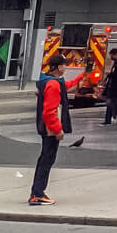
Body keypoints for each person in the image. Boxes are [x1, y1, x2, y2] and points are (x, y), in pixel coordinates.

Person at [30, 53, 72, 205]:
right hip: (50, 129)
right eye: (64, 65)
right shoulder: (53, 84)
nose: (66, 68)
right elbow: (50, 111)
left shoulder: (46, 82)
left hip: (44, 127)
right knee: (47, 159)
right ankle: (37, 193)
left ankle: (37, 192)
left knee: (44, 159)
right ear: (59, 67)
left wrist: (80, 79)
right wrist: (58, 130)